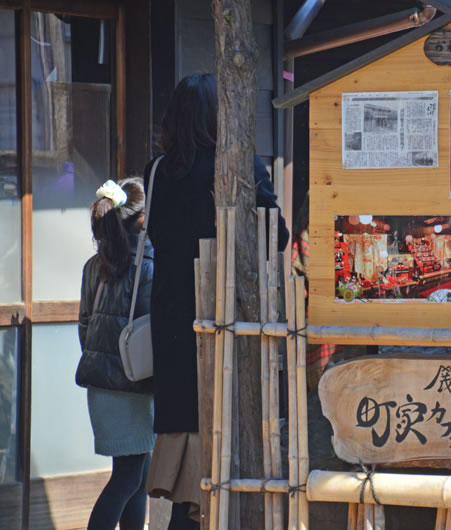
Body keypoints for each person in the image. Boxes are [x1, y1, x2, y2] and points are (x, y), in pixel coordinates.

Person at [143, 73, 289, 529]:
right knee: (222, 463)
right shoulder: (235, 168)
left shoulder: (158, 172)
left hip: (172, 326)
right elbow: (276, 236)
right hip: (223, 321)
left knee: (188, 474)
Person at [77, 177, 155, 530]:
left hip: (103, 388)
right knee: (128, 479)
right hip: (135, 387)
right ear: (141, 218)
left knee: (134, 478)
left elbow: (84, 326)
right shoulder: (149, 262)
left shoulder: (95, 265)